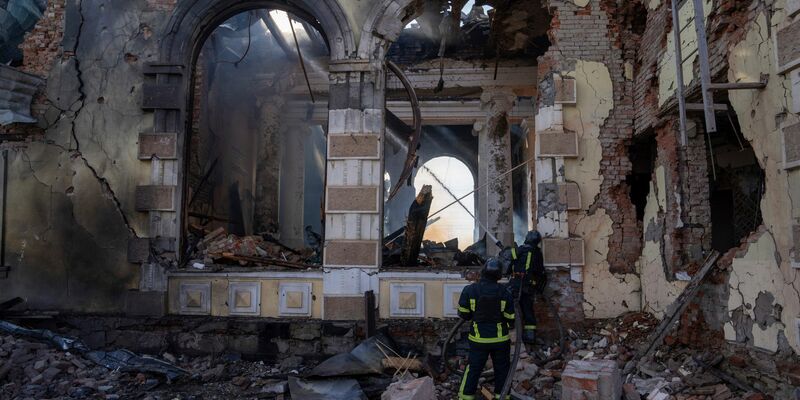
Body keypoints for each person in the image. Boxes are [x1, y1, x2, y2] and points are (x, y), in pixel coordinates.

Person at [457, 258, 515, 400]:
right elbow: (510, 317)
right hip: (500, 340)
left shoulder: (470, 290)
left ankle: (465, 397)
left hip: (478, 340)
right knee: (502, 370)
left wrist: (474, 315)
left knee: (473, 370)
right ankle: (502, 397)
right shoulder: (505, 292)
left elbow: (463, 313)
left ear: (483, 272)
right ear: (499, 275)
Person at [507, 230, 546, 344]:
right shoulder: (537, 253)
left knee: (510, 306)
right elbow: (540, 271)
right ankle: (530, 335)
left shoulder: (520, 249)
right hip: (528, 286)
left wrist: (505, 251)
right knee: (527, 309)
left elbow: (508, 259)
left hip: (516, 283)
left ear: (527, 238)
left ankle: (510, 330)